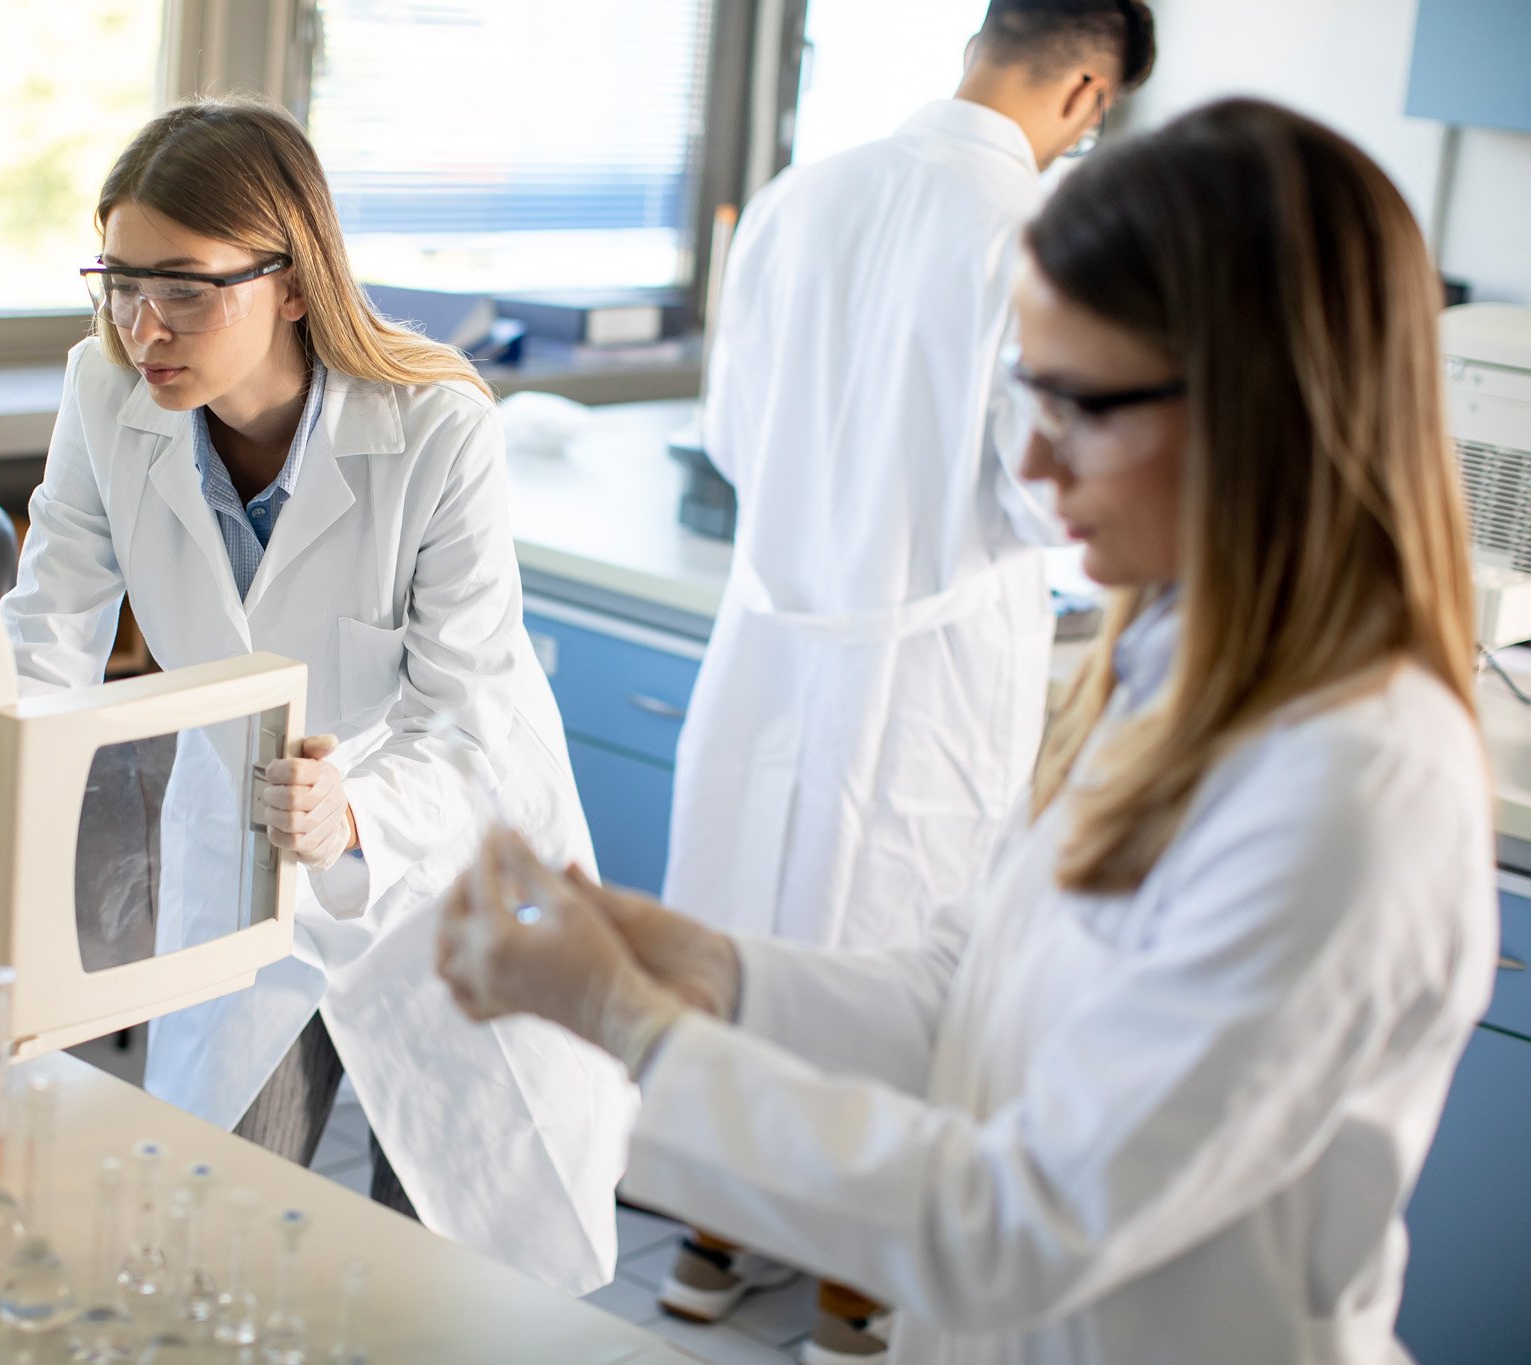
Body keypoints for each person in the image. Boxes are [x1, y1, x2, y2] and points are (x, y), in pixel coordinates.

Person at [441, 98, 1494, 1364]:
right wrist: (705, 968)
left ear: (1266, 406)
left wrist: (633, 1028)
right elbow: (962, 996)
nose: (1036, 467)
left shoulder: (1351, 784)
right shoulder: (1157, 675)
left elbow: (1026, 1221)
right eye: (1024, 392)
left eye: (1085, 405)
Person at [1, 99, 634, 1295]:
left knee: (453, 1265)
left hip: (442, 868)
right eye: (118, 282)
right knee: (204, 1236)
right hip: (238, 857)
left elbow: (471, 714)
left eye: (184, 288)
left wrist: (352, 815)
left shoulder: (436, 426)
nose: (144, 327)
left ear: (290, 280)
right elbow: (49, 623)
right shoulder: (103, 392)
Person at [660, 1, 1156, 1351]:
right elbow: (1044, 491)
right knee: (899, 949)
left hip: (773, 633)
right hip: (931, 652)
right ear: (1088, 92)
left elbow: (734, 434)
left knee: (750, 927)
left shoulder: (798, 196)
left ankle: (708, 1243)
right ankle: (850, 1291)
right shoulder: (1039, 241)